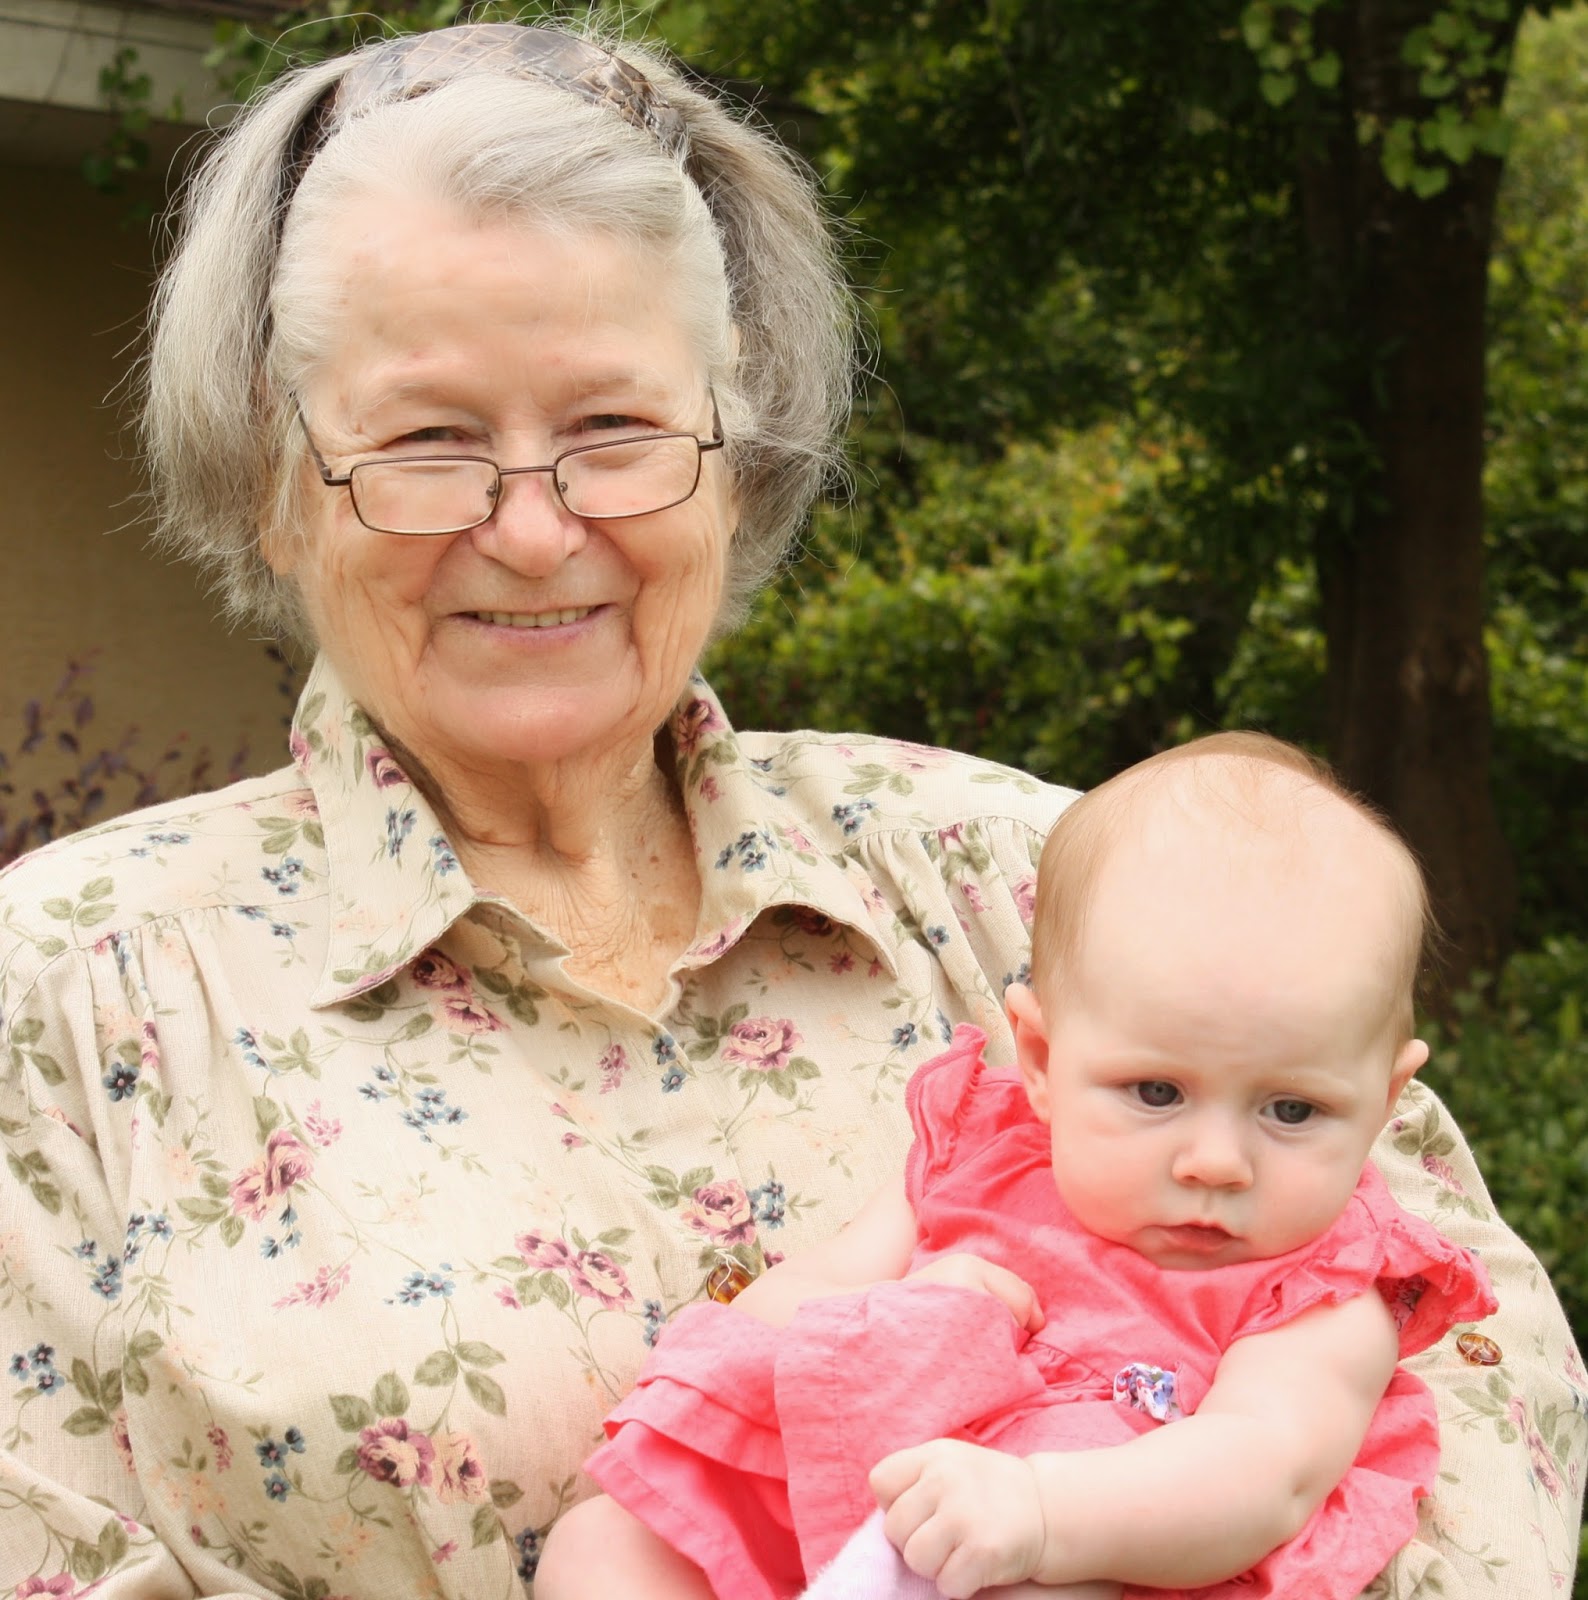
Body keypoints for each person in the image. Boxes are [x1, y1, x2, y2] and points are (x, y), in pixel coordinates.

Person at [0, 18, 1579, 1600]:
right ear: (278, 487)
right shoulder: (63, 1003)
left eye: (615, 430)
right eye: (427, 441)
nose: (535, 530)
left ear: (737, 462)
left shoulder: (1052, 878)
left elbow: (1483, 1407)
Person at [536, 734, 1499, 1600]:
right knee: (607, 1548)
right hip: (857, 1468)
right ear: (1040, 1058)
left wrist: (1042, 1514)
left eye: (1292, 1110)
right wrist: (898, 1308)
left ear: (1383, 1102)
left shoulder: (1327, 1287)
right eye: (1156, 1092)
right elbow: (792, 1302)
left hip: (1093, 1539)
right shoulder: (979, 1149)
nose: (1216, 1162)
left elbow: (1263, 1474)